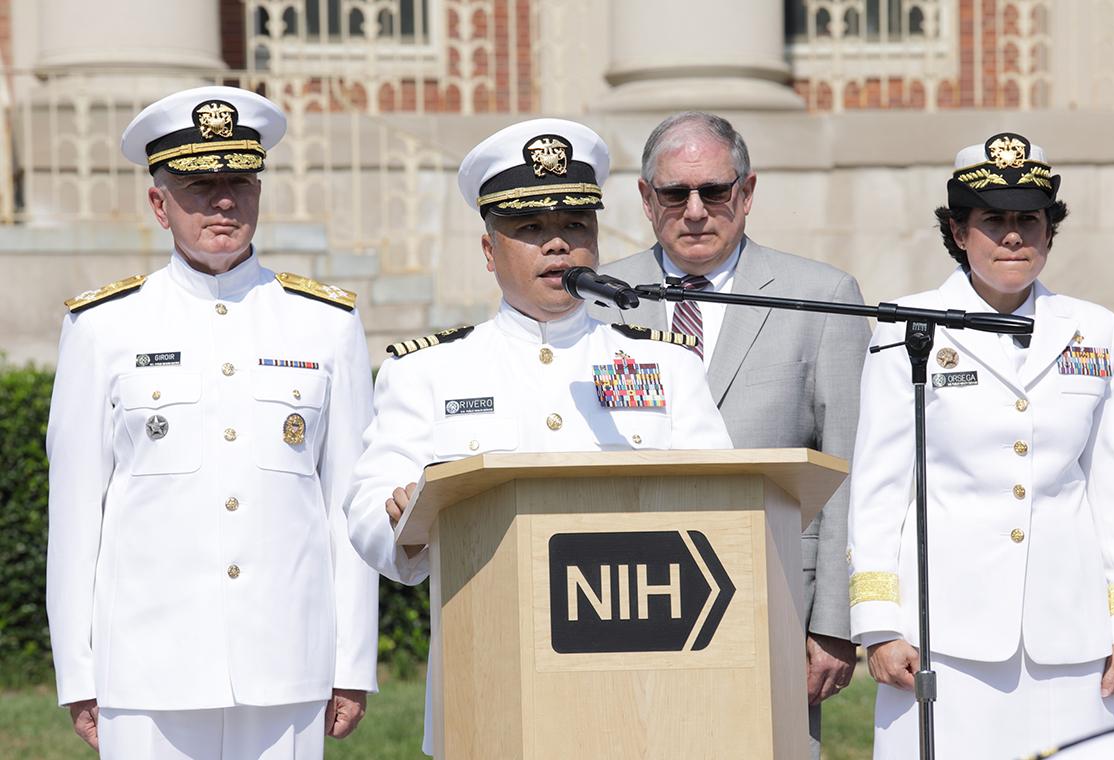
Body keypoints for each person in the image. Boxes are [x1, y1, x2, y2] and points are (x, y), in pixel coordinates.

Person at [343, 117, 733, 755]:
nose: (558, 246)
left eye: (575, 226)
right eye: (531, 230)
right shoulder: (429, 372)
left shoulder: (667, 367)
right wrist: (401, 515)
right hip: (491, 683)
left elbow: (723, 509)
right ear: (489, 252)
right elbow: (366, 511)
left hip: (643, 688)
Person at [45, 86, 380, 759]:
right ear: (158, 203)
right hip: (146, 666)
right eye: (198, 185)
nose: (222, 202)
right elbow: (77, 512)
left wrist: (352, 662)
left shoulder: (326, 324)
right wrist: (78, 672)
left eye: (238, 182)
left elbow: (348, 508)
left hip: (286, 661)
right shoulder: (103, 327)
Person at [847, 132, 1114, 758]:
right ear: (958, 232)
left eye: (1029, 220)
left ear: (1049, 230)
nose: (1013, 236)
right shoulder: (908, 323)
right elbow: (878, 485)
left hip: (1070, 630)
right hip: (942, 631)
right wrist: (879, 623)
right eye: (993, 220)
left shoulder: (1094, 328)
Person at [592, 111, 868, 755]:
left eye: (714, 191)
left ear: (746, 193)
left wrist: (833, 623)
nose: (694, 210)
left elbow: (849, 469)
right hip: (617, 597)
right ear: (643, 197)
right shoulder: (597, 299)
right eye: (674, 193)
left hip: (770, 598)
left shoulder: (822, 296)